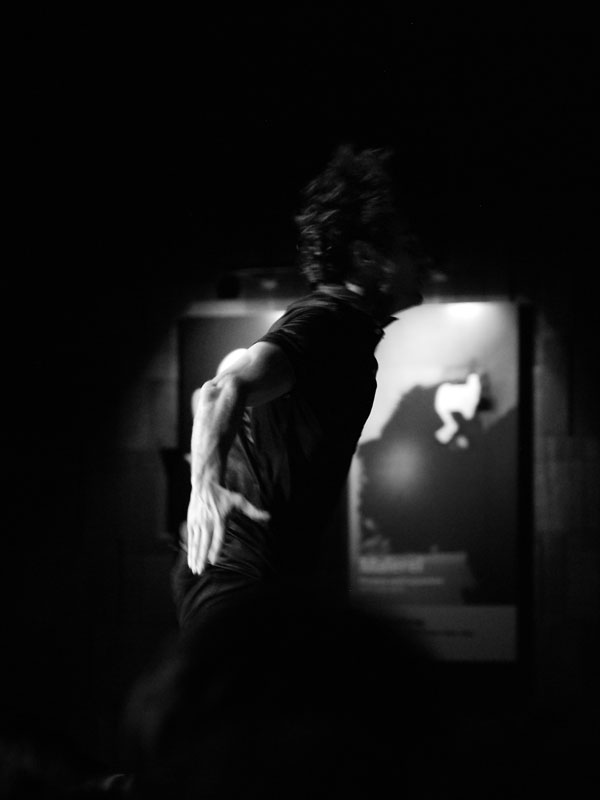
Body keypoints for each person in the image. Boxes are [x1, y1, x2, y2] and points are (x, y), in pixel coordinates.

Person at [172, 143, 427, 630]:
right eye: (406, 246)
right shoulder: (327, 324)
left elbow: (225, 386)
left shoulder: (340, 330)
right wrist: (204, 488)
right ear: (365, 256)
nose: (422, 259)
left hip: (258, 579)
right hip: (236, 578)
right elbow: (219, 391)